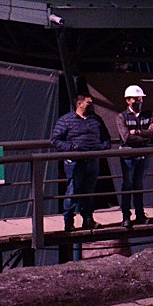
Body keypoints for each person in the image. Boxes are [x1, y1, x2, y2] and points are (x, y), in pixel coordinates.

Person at [50, 92, 111, 230]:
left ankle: (88, 219)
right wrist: (73, 147)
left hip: (92, 161)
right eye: (89, 103)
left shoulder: (96, 120)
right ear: (80, 103)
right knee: (72, 191)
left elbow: (106, 138)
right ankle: (69, 221)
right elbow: (55, 140)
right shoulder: (66, 120)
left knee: (89, 192)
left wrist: (101, 148)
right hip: (75, 162)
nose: (91, 105)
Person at [116, 84, 153, 225]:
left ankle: (140, 215)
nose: (139, 101)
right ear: (128, 100)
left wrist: (138, 132)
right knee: (127, 184)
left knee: (139, 184)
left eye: (140, 98)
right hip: (128, 155)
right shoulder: (121, 116)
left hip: (144, 154)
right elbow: (126, 137)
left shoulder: (148, 114)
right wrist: (147, 134)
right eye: (135, 99)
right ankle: (126, 217)